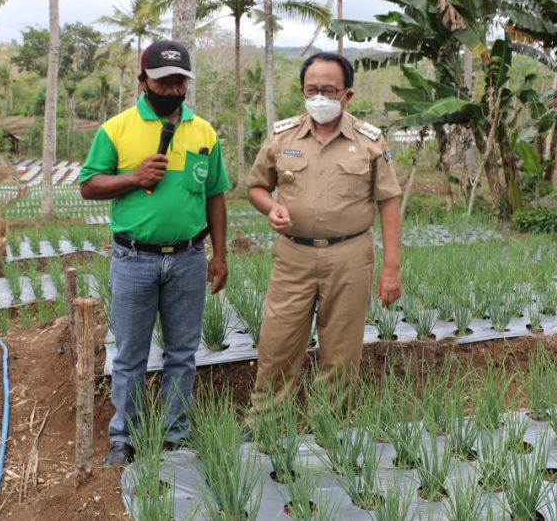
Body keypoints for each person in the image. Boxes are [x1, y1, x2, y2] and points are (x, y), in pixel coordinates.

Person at [79, 39, 229, 466]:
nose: (172, 90)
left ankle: (175, 433)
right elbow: (89, 185)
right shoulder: (117, 129)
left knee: (183, 353)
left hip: (188, 258)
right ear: (142, 80)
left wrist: (219, 255)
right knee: (130, 354)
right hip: (134, 259)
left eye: (180, 81)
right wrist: (134, 177)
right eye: (163, 82)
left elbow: (215, 195)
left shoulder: (204, 132)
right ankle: (123, 436)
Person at [245, 51, 402, 413]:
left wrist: (391, 269)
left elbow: (388, 204)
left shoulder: (370, 141)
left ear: (347, 95)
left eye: (329, 91)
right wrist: (271, 208)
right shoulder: (282, 136)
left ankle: (329, 426)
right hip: (293, 255)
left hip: (350, 256)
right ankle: (265, 422)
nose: (319, 97)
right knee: (277, 342)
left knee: (341, 350)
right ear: (302, 90)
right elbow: (256, 187)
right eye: (311, 89)